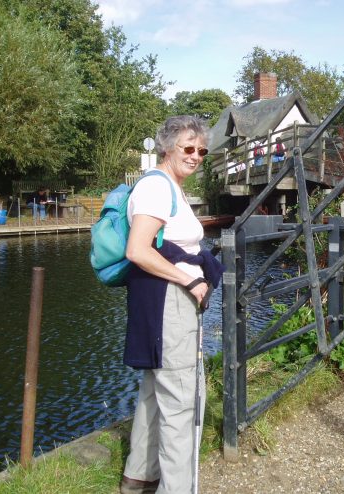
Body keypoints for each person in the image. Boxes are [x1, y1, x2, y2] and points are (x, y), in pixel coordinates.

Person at [121, 115, 224, 494]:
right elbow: (137, 250)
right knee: (183, 401)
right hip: (169, 304)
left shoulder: (171, 187)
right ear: (167, 147)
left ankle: (139, 477)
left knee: (155, 390)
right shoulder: (157, 188)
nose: (196, 156)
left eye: (201, 150)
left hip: (161, 301)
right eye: (188, 148)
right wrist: (191, 279)